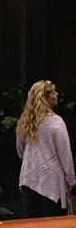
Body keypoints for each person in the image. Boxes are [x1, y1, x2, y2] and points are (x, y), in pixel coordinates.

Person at [15, 79, 75, 218]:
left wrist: (32, 162)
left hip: (28, 179)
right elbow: (65, 154)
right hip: (52, 183)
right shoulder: (56, 122)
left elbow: (20, 150)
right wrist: (71, 181)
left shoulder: (25, 121)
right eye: (54, 92)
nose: (57, 94)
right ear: (46, 98)